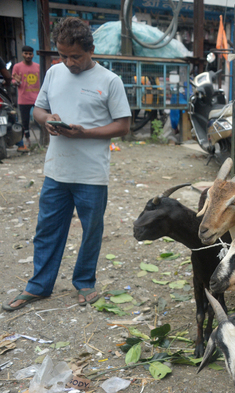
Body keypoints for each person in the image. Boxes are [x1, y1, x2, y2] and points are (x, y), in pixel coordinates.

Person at [2, 17, 131, 311]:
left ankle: (84, 282)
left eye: (76, 56)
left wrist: (86, 133)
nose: (69, 62)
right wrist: (48, 121)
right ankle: (38, 286)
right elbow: (38, 109)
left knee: (91, 230)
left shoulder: (109, 81)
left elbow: (123, 125)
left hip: (91, 173)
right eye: (63, 55)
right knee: (47, 229)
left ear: (91, 50)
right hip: (56, 170)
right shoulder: (54, 73)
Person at [12, 46, 40, 152]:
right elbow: (13, 81)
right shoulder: (17, 67)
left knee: (40, 119)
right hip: (24, 99)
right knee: (25, 122)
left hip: (37, 98)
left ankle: (44, 139)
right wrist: (17, 82)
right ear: (22, 54)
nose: (28, 56)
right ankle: (27, 140)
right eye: (26, 53)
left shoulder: (38, 67)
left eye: (30, 54)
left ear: (33, 55)